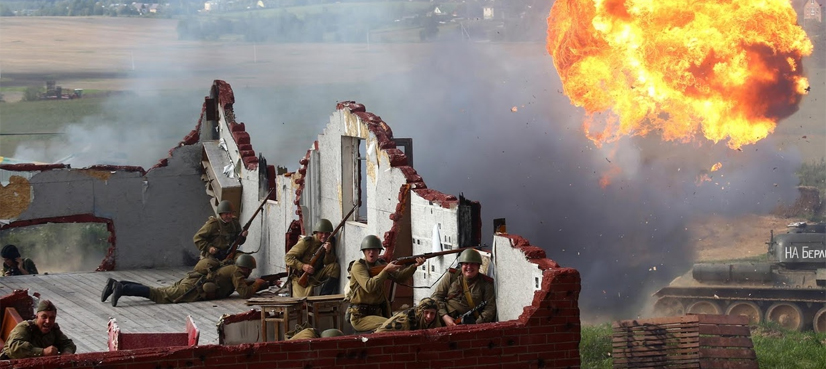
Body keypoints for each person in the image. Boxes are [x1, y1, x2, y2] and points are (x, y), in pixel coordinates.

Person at [101, 254, 268, 307]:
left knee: (160, 291)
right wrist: (258, 284)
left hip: (193, 281)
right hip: (194, 287)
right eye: (250, 270)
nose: (250, 273)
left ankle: (118, 284)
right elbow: (244, 293)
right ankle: (122, 289)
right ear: (245, 268)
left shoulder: (232, 268)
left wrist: (265, 284)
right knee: (161, 296)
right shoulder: (237, 273)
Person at [346, 235, 425, 332]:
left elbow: (400, 277)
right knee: (394, 325)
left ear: (379, 251)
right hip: (361, 317)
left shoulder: (380, 264)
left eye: (375, 250)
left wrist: (414, 266)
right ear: (364, 251)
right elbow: (369, 286)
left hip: (377, 313)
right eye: (368, 250)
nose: (371, 253)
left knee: (402, 321)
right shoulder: (358, 266)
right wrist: (386, 271)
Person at [431, 248, 496, 326]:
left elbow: (490, 308)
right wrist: (445, 317)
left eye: (473, 264)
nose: (469, 267)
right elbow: (436, 297)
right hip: (444, 319)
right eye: (466, 264)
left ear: (478, 266)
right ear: (461, 265)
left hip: (469, 323)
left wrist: (476, 324)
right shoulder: (452, 276)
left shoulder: (486, 284)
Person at [0, 300, 75, 359]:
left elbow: (67, 343)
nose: (48, 321)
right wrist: (43, 352)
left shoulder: (53, 330)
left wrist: (67, 352)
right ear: (36, 317)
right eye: (44, 317)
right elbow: (14, 348)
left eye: (52, 318)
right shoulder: (25, 328)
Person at [285, 219, 340, 297]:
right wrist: (303, 266)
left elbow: (329, 263)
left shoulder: (330, 242)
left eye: (327, 233)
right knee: (301, 302)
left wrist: (328, 252)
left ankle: (323, 298)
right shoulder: (307, 242)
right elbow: (288, 257)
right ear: (316, 233)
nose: (324, 236)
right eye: (321, 233)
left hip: (315, 275)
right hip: (300, 277)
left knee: (335, 267)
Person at [374, 297, 442, 333]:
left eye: (432, 313)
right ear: (421, 312)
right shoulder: (406, 320)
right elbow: (380, 333)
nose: (429, 316)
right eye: (426, 312)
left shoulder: (435, 319)